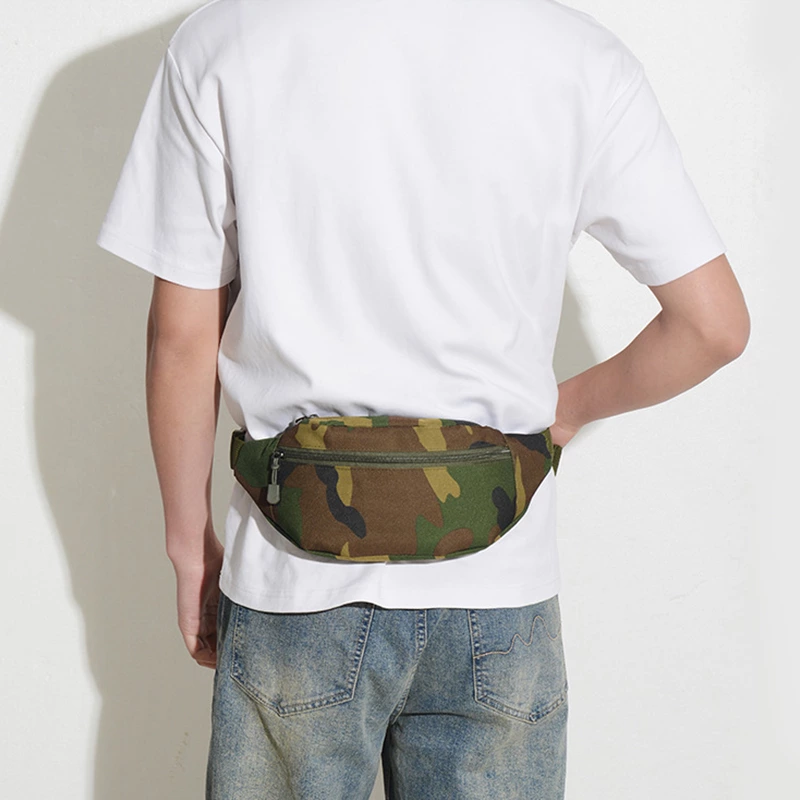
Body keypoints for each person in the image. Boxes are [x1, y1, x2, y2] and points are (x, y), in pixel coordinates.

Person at [96, 0, 750, 797]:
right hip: (501, 583)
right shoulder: (582, 56)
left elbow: (181, 339)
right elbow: (713, 326)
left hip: (293, 575)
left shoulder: (225, 38)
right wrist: (565, 411)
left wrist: (188, 543)